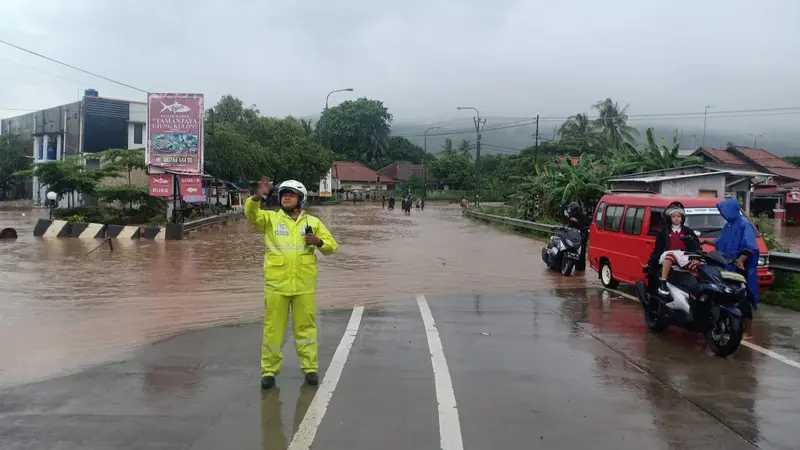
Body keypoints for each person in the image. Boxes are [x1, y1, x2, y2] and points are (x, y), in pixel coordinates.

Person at [244, 177, 339, 389]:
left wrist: (320, 242)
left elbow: (333, 247)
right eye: (283, 194)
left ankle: (310, 369)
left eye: (291, 194)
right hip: (276, 286)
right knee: (272, 331)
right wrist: (257, 197)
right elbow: (251, 215)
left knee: (306, 329)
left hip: (304, 286)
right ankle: (269, 371)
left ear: (301, 199)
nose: (286, 197)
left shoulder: (312, 223)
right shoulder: (270, 220)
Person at [715, 198, 759, 340]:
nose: (724, 214)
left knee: (743, 298)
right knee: (728, 296)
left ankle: (748, 331)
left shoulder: (744, 225)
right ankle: (731, 326)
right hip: (728, 267)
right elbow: (720, 242)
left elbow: (750, 246)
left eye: (725, 211)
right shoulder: (728, 226)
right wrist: (704, 241)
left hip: (742, 268)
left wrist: (741, 259)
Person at [648, 203, 700, 296]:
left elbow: (695, 245)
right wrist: (652, 262)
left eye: (679, 216)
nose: (676, 218)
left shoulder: (688, 231)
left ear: (682, 217)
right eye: (674, 216)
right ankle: (663, 282)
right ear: (669, 218)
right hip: (669, 254)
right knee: (670, 256)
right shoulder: (664, 232)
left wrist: (696, 255)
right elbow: (658, 248)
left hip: (683, 255)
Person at [565, 202, 589, 271]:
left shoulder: (582, 217)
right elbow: (569, 227)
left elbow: (586, 226)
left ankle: (580, 269)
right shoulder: (571, 218)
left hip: (582, 238)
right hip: (573, 238)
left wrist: (577, 221)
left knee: (581, 254)